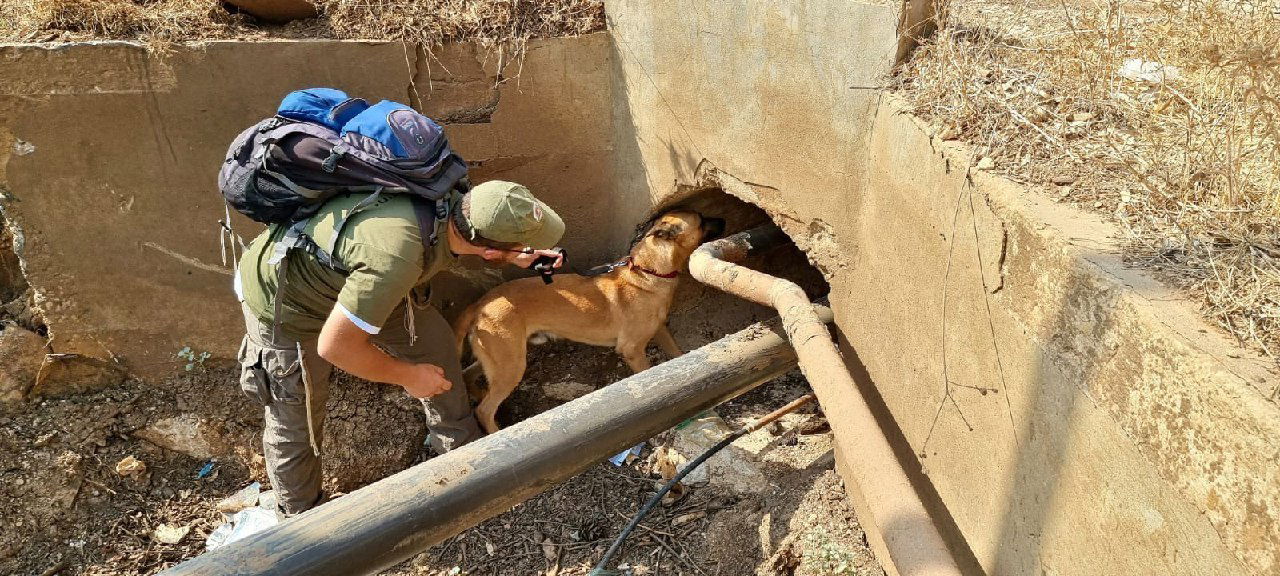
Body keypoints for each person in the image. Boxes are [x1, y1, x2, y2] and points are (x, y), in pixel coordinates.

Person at [233, 180, 565, 515]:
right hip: (288, 304)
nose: (530, 249)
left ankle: (459, 444)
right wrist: (407, 376)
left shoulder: (455, 202)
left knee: (435, 346)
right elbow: (336, 347)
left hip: (362, 280)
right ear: (491, 252)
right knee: (297, 411)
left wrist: (519, 255)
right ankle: (302, 519)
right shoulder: (395, 258)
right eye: (524, 245)